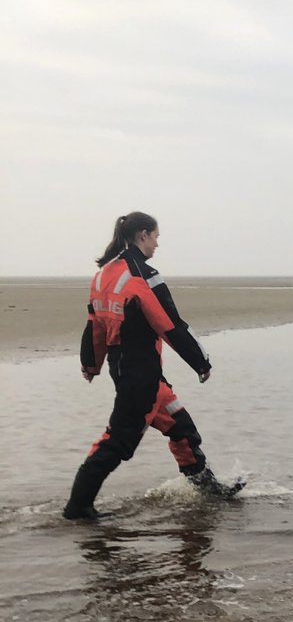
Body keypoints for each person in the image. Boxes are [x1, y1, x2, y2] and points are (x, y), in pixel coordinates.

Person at [63, 212, 242, 520]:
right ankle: (77, 507)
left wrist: (91, 365)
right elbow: (169, 325)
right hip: (140, 375)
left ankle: (209, 491)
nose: (158, 243)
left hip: (132, 371)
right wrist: (200, 362)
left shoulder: (104, 274)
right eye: (156, 236)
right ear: (142, 235)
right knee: (118, 441)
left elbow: (94, 325)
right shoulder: (142, 275)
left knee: (182, 429)